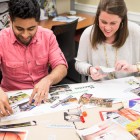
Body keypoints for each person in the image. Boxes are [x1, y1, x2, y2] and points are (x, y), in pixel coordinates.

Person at [0, 0, 68, 117]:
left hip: (43, 98)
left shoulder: (48, 36)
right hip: (10, 100)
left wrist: (48, 79)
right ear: (10, 20)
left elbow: (61, 66)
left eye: (31, 28)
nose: (25, 35)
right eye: (19, 29)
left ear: (38, 22)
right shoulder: (1, 39)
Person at [75, 0, 140, 82]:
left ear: (122, 20)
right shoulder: (88, 33)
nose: (107, 28)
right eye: (103, 22)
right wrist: (90, 69)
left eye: (113, 23)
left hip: (129, 87)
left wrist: (134, 68)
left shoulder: (135, 31)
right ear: (97, 17)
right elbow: (79, 64)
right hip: (99, 88)